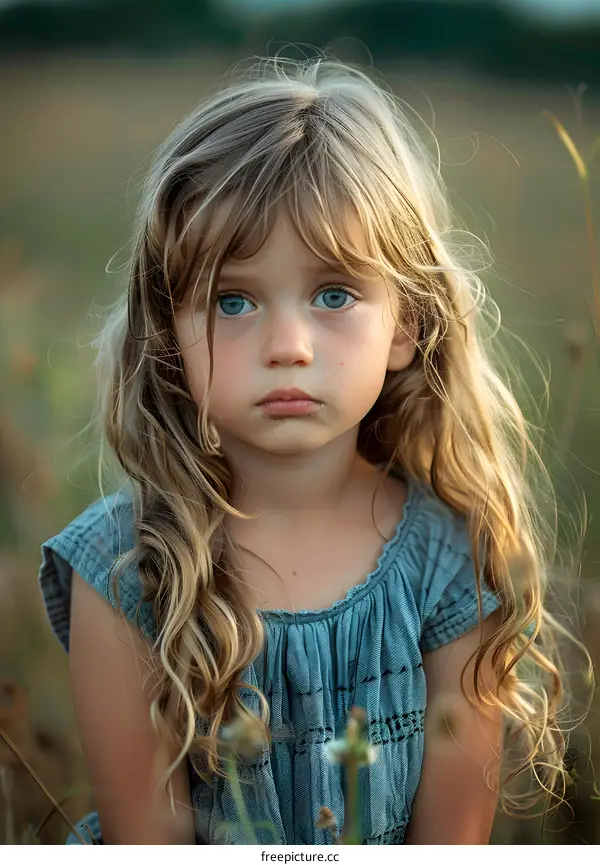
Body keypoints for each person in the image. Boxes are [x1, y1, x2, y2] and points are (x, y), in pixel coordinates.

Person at [38, 54, 590, 845]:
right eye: (233, 300)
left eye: (335, 294)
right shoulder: (126, 569)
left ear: (406, 322)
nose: (288, 346)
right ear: (171, 333)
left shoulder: (453, 563)